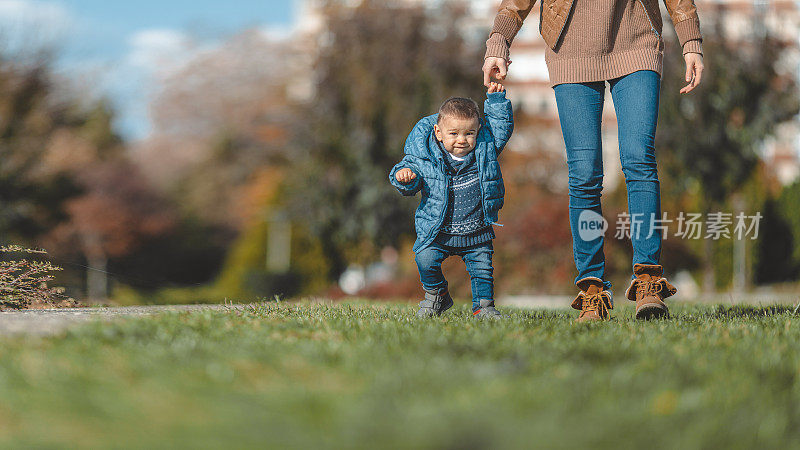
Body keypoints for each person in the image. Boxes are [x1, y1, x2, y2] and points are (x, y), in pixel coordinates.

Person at [482, 0, 704, 321]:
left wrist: (691, 40)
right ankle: (592, 289)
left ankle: (648, 282)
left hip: (635, 37)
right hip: (570, 47)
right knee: (584, 173)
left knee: (639, 159)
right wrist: (498, 41)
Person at [389, 82, 514, 319]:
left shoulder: (485, 151)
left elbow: (501, 128)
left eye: (469, 133)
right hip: (437, 232)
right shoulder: (424, 157)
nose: (462, 140)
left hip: (477, 231)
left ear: (478, 131)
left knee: (483, 271)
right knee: (425, 259)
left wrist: (496, 101)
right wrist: (404, 178)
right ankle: (437, 296)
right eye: (454, 133)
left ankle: (484, 307)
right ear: (438, 132)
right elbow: (408, 173)